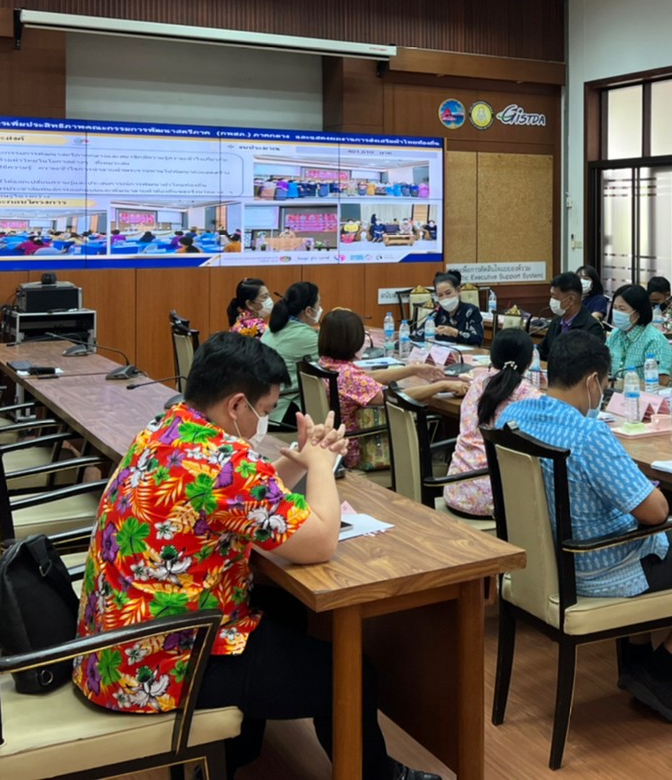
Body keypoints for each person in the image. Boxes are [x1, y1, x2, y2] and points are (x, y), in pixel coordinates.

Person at [72, 332, 438, 780]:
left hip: (116, 648)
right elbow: (321, 541)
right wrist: (322, 464)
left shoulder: (167, 427)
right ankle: (379, 776)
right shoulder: (222, 462)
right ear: (236, 405)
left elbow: (242, 502)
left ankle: (237, 751)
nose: (262, 422)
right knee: (346, 672)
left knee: (283, 607)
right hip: (161, 667)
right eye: (263, 412)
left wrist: (301, 460)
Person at [497, 333, 672, 724]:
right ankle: (661, 668)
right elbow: (655, 513)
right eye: (605, 382)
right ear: (592, 382)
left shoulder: (513, 417)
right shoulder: (588, 434)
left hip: (546, 560)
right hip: (600, 569)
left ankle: (637, 663)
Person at [318, 308, 467, 469]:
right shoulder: (347, 375)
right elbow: (393, 396)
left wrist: (412, 369)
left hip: (338, 441)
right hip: (360, 449)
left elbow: (366, 380)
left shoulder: (328, 364)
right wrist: (442, 385)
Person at [443, 329, 540, 518]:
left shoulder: (478, 384)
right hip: (496, 500)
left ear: (492, 357)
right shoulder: (530, 396)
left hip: (455, 489)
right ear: (529, 363)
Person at [261, 281, 322, 429]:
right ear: (308, 311)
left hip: (264, 407)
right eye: (318, 304)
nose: (320, 309)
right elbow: (334, 363)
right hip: (282, 412)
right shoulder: (302, 335)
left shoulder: (277, 327)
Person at [606, 285, 672, 380]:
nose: (616, 312)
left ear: (637, 313)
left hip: (641, 393)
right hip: (614, 392)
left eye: (622, 309)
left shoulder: (654, 340)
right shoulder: (615, 334)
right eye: (614, 308)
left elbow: (662, 381)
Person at [538, 272, 605, 362]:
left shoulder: (592, 328)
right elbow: (543, 350)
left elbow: (592, 364)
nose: (552, 301)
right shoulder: (556, 321)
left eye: (555, 298)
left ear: (570, 299)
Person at [431, 271, 484, 346]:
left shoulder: (471, 311)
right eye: (440, 295)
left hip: (465, 354)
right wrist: (430, 331)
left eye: (448, 293)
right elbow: (417, 334)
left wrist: (455, 333)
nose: (445, 298)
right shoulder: (437, 312)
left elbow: (478, 338)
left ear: (458, 290)